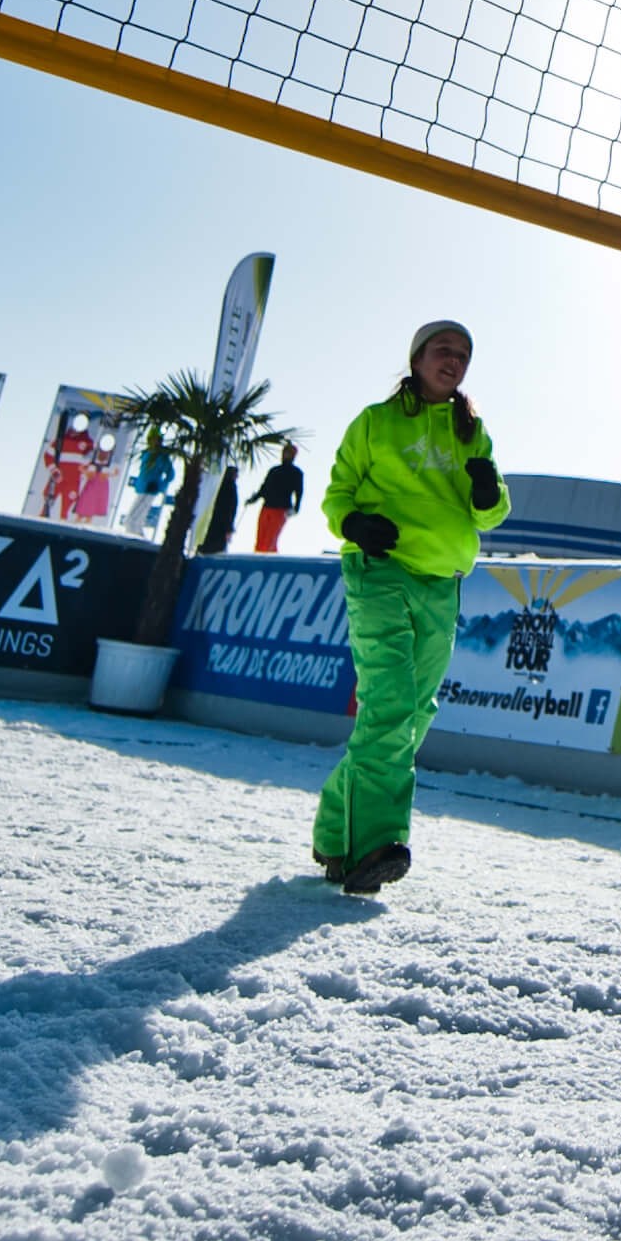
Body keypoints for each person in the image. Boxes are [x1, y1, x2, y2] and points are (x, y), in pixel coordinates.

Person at [313, 321, 508, 896]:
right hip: (381, 571)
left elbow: (492, 513)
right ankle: (376, 843)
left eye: (464, 355)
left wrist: (486, 493)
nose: (455, 360)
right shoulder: (374, 422)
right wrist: (352, 523)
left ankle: (333, 829)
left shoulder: (473, 432)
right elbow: (337, 492)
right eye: (444, 350)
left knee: (413, 714)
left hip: (442, 582)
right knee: (391, 704)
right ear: (417, 358)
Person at [251, 441, 304, 553]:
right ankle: (259, 559)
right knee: (261, 539)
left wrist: (296, 508)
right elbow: (264, 488)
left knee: (270, 540)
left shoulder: (296, 473)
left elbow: (299, 492)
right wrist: (254, 498)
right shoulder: (274, 470)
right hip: (267, 507)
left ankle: (268, 562)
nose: (285, 455)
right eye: (285, 452)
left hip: (281, 510)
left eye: (289, 453)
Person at [198, 465, 240, 556]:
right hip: (222, 524)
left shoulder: (220, 485)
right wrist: (229, 528)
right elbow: (229, 509)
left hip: (215, 520)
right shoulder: (230, 487)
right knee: (217, 548)